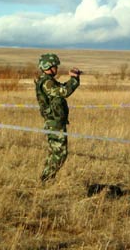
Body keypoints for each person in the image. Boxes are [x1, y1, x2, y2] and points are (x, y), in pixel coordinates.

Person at [35, 53, 81, 183]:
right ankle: (46, 179)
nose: (56, 68)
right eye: (55, 66)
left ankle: (46, 179)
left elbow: (61, 88)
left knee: (55, 153)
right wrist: (74, 80)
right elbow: (64, 92)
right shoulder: (47, 82)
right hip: (54, 122)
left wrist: (73, 79)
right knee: (60, 153)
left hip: (55, 121)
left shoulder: (48, 81)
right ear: (49, 66)